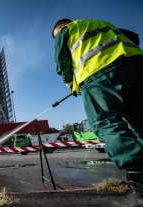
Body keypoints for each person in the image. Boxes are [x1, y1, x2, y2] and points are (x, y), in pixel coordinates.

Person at [52, 19, 143, 196]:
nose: (56, 39)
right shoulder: (101, 23)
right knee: (138, 117)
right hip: (135, 64)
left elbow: (62, 62)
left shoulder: (67, 30)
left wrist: (71, 82)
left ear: (60, 27)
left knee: (105, 120)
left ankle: (138, 172)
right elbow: (134, 37)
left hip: (99, 71)